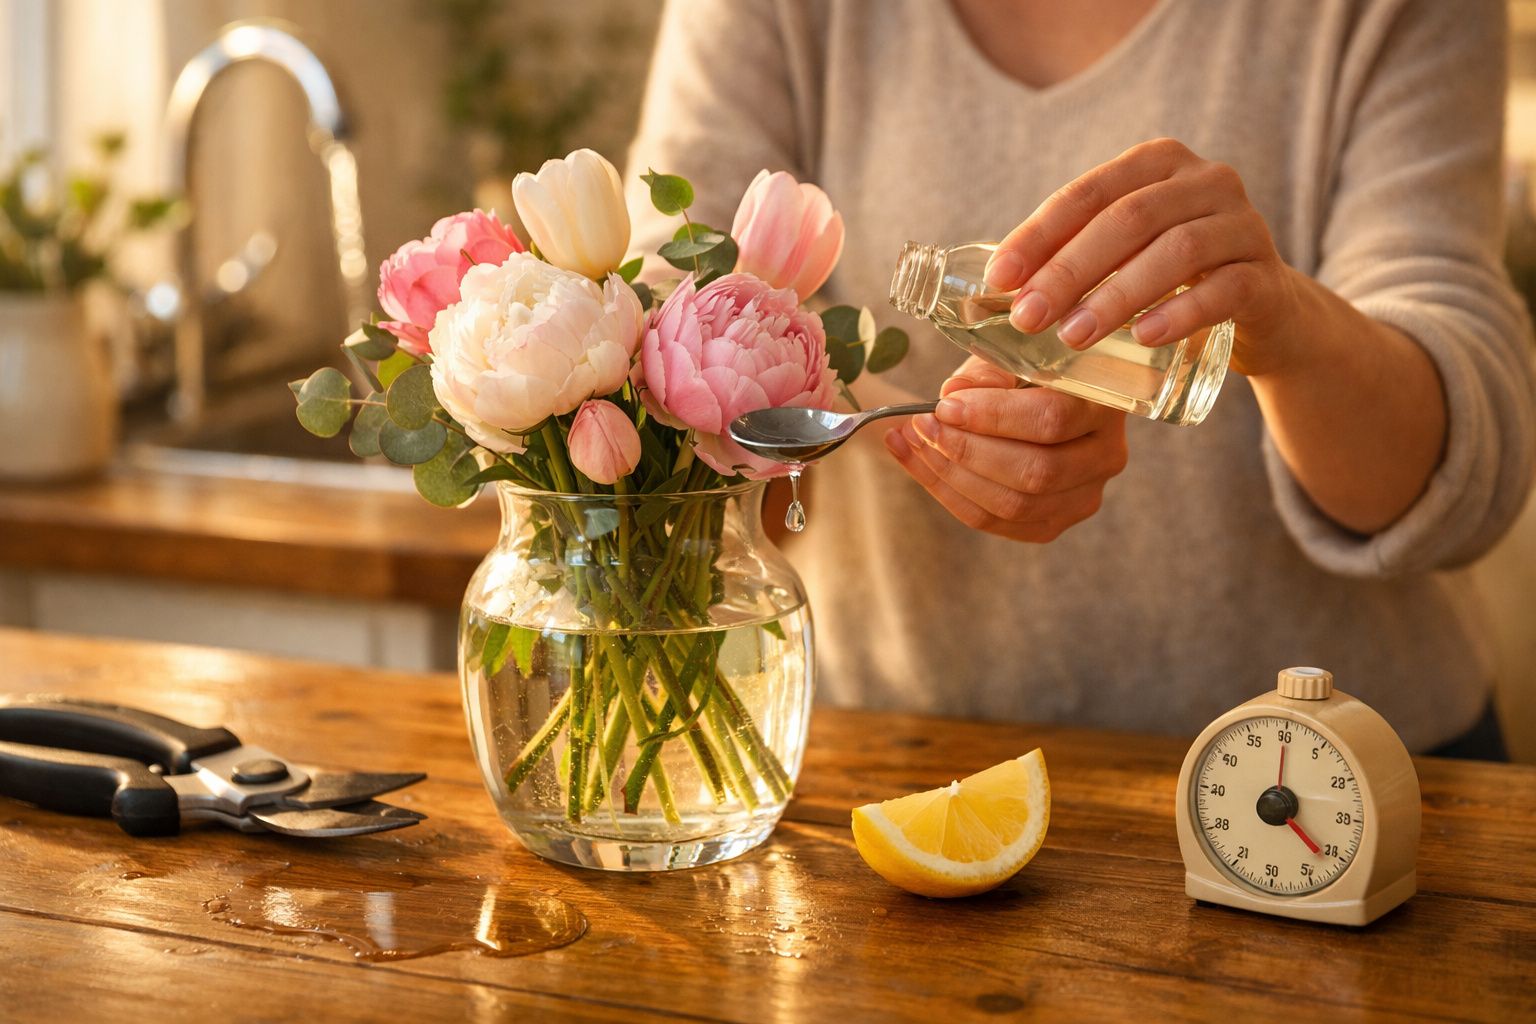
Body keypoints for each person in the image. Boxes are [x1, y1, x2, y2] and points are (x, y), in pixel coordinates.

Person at [623, 0, 1536, 758]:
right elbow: (656, 337)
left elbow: (1466, 475)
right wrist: (860, 429)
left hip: (1337, 791)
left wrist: (1286, 325)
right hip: (897, 765)